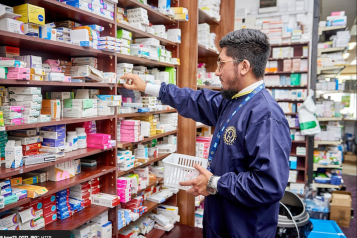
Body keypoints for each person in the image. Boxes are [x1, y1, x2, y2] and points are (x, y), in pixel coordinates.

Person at [121, 29, 291, 238]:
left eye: (221, 63)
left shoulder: (266, 116)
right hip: (219, 222)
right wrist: (147, 86)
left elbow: (268, 185)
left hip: (245, 229)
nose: (217, 72)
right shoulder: (233, 101)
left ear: (244, 66)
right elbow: (195, 100)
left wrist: (214, 183)